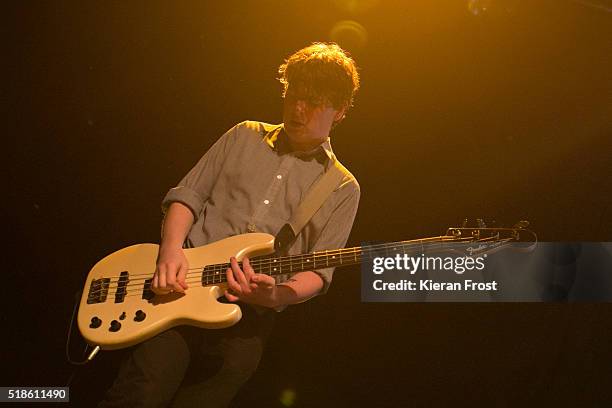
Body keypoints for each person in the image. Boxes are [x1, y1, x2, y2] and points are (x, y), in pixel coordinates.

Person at [99, 42, 360, 407]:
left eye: (313, 102)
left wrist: (276, 295)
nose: (298, 109)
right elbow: (187, 196)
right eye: (294, 96)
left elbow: (319, 270)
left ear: (340, 111)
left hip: (248, 317)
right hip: (178, 289)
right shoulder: (244, 135)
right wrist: (170, 252)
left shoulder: (343, 186)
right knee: (140, 393)